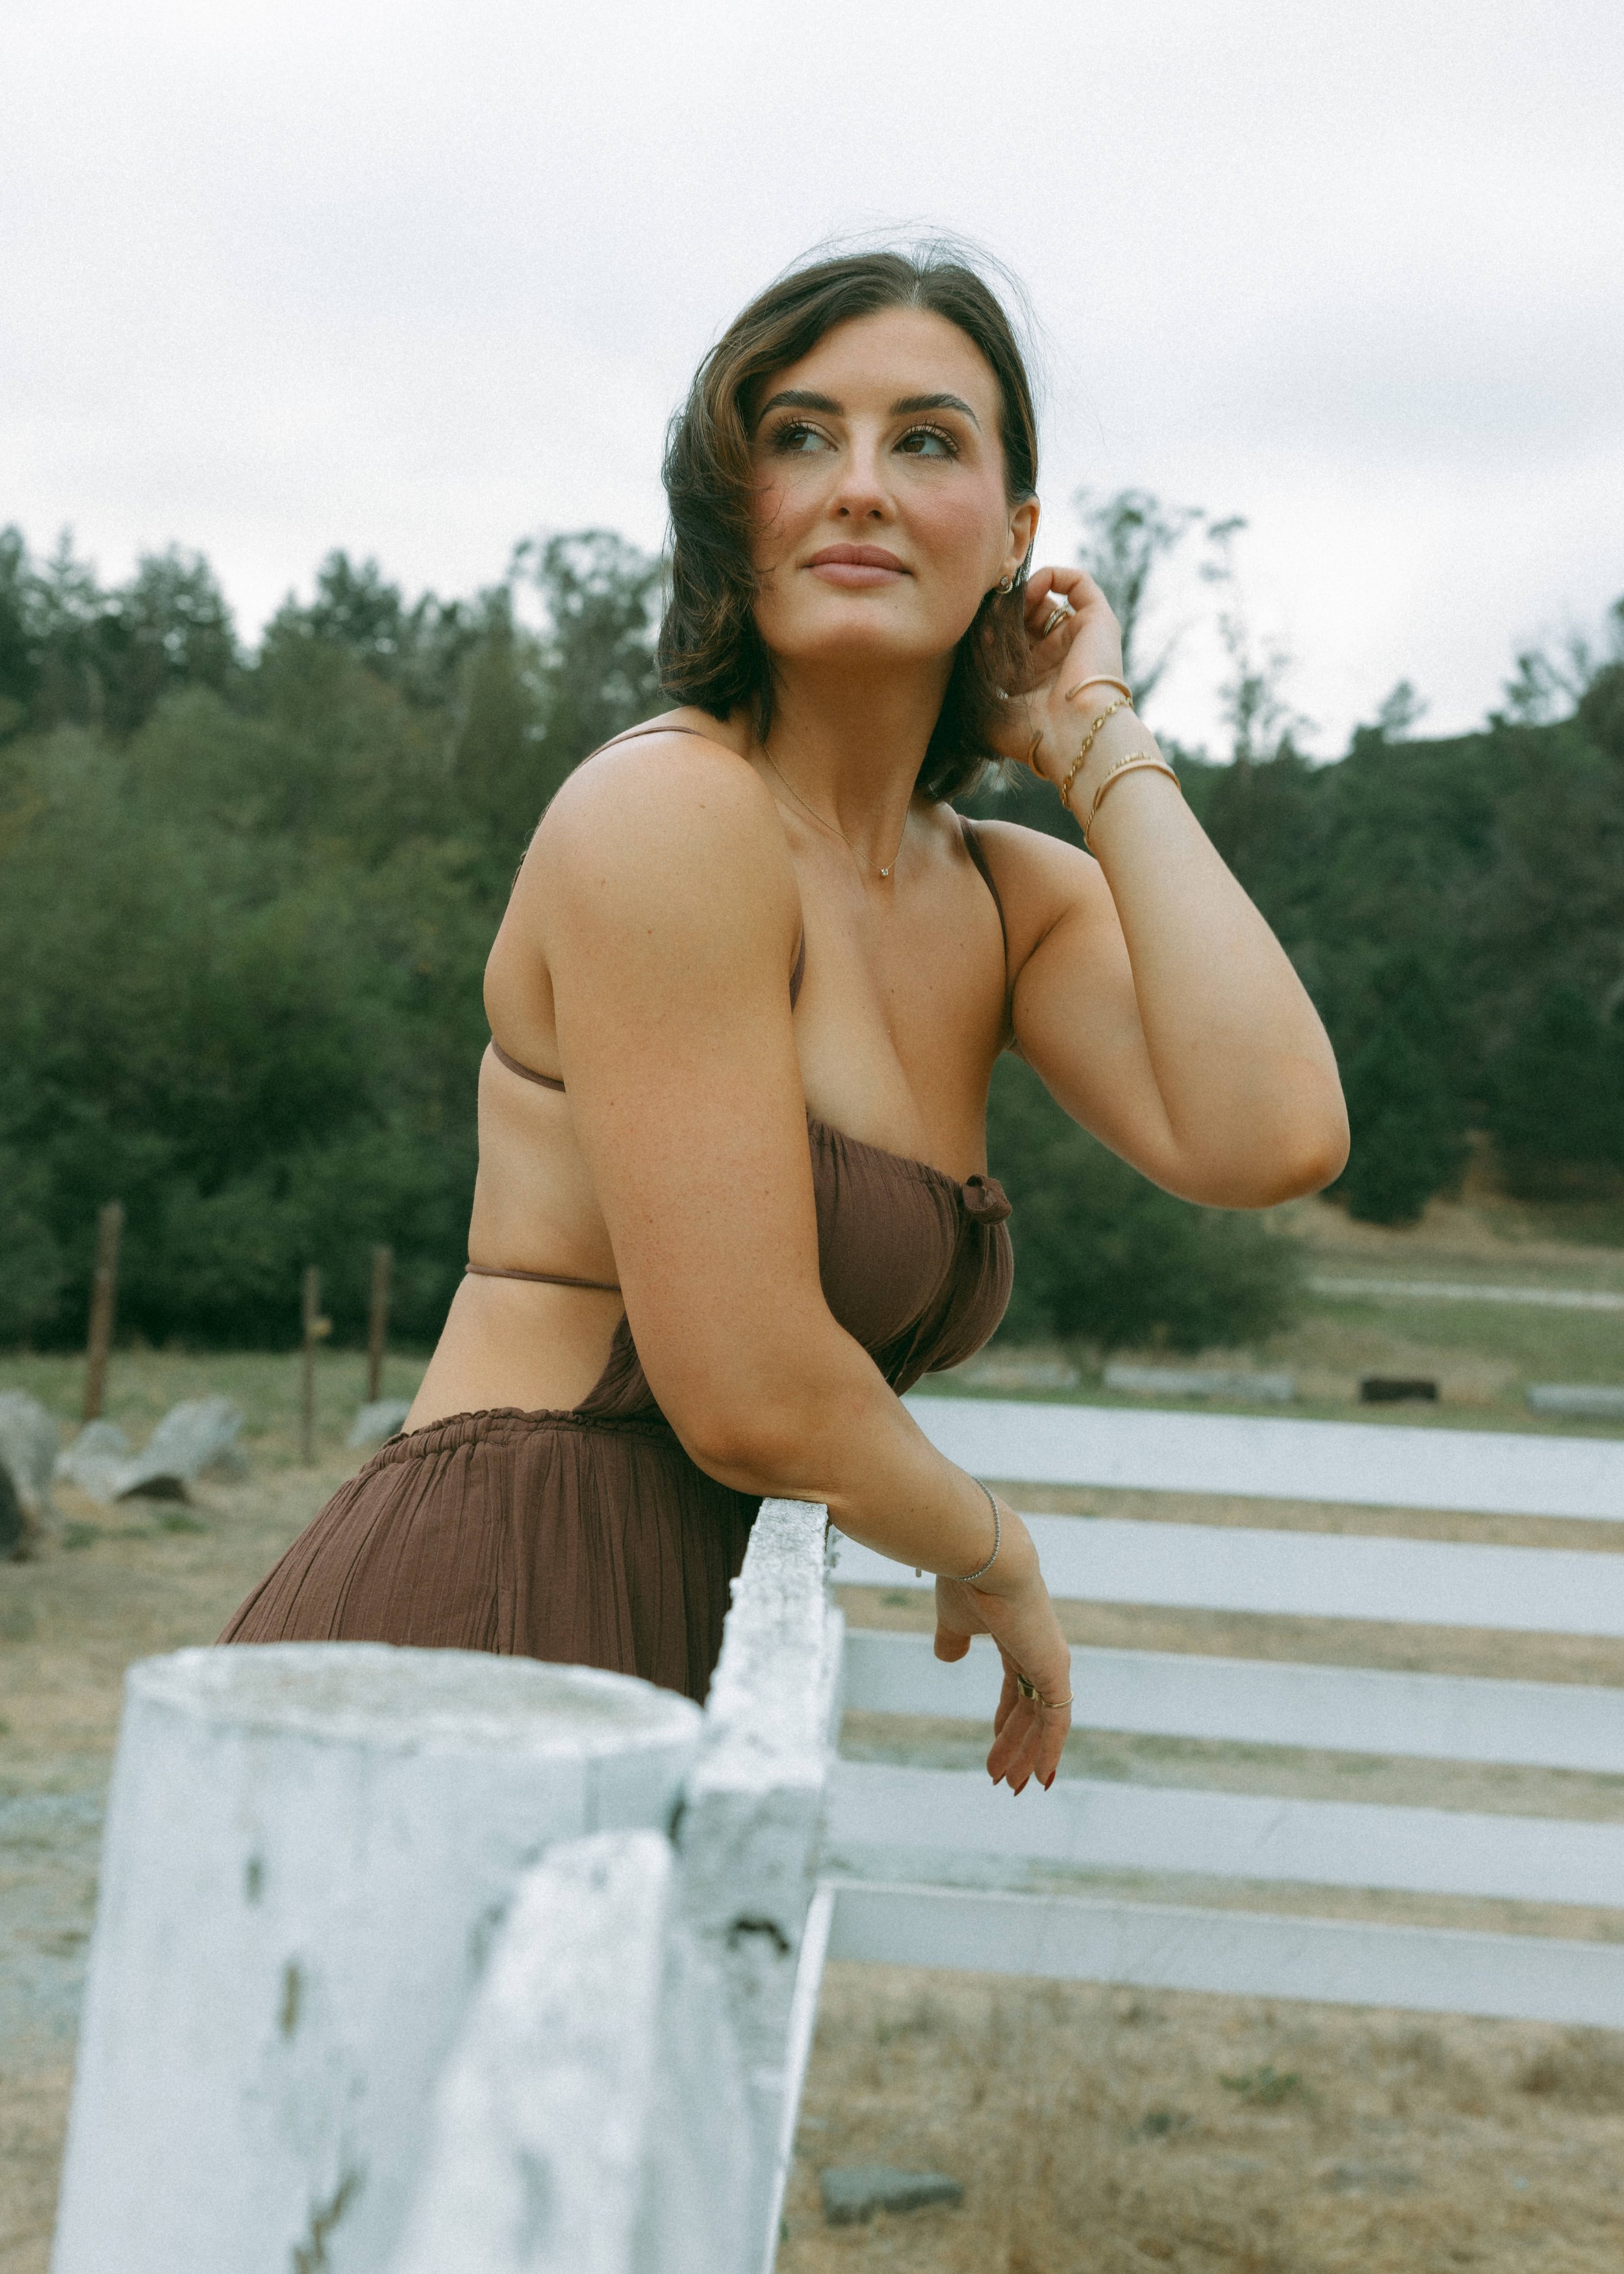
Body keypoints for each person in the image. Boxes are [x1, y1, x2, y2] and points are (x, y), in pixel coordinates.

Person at [222, 248, 1348, 1796]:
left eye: (928, 441)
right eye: (799, 436)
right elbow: (749, 1386)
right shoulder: (667, 815)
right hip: (491, 1620)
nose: (860, 487)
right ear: (726, 512)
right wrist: (993, 1549)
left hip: (698, 1645)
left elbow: (1271, 1132)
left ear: (1015, 539)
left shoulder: (1009, 899)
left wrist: (1096, 742)